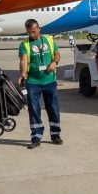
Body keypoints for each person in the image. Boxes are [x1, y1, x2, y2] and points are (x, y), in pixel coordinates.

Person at [19, 18, 62, 149]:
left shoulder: (49, 40)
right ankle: (36, 136)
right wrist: (23, 73)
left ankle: (55, 134)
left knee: (53, 108)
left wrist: (54, 62)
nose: (32, 35)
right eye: (29, 32)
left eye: (33, 32)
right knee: (34, 110)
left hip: (49, 80)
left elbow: (57, 54)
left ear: (39, 29)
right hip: (33, 82)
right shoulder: (24, 44)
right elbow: (23, 60)